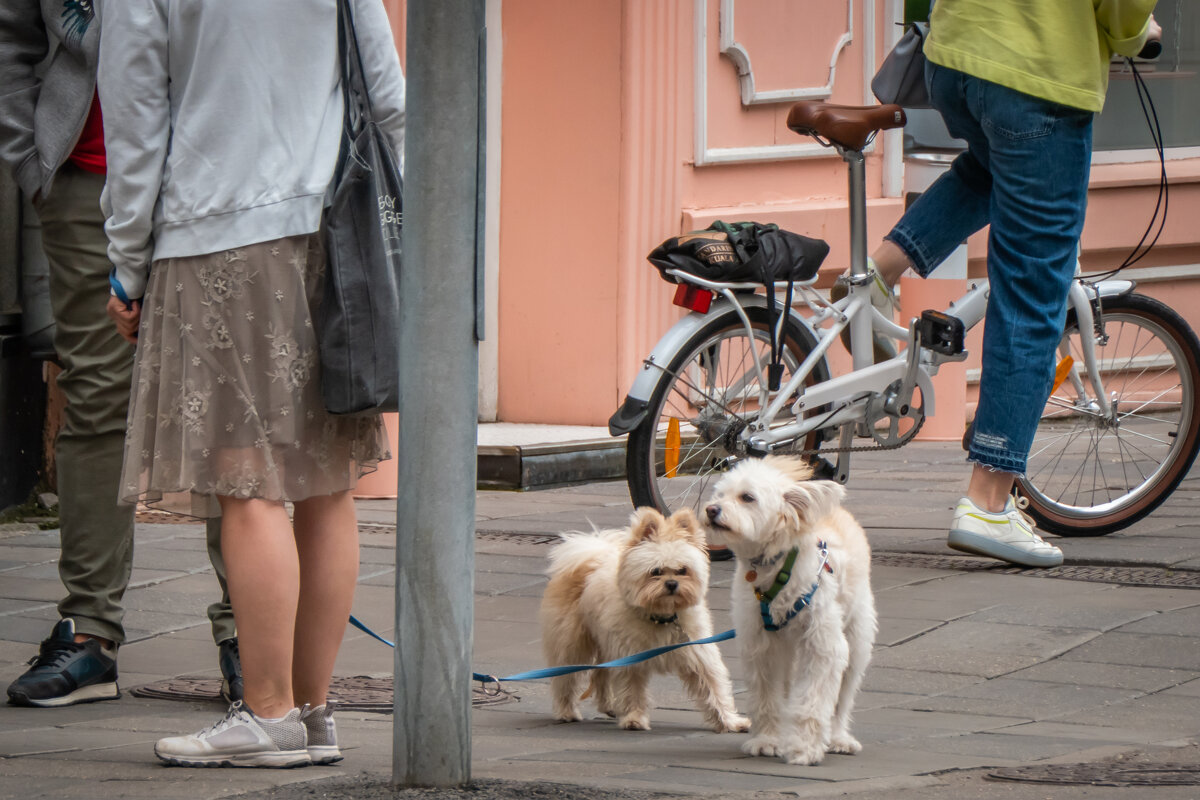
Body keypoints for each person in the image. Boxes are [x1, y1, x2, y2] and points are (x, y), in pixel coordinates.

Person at [98, 0, 404, 768]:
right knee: (327, 483)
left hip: (218, 229)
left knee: (249, 482)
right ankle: (313, 713)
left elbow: (136, 119)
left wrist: (128, 263)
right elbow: (388, 95)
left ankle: (265, 714)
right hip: (332, 226)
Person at [857, 1, 1157, 568]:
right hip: (1039, 68)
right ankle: (988, 500)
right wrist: (1136, 32)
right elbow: (1122, 10)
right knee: (1032, 289)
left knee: (990, 165)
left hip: (956, 55)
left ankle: (880, 272)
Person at [0, 0, 241, 709]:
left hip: (215, 175)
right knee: (99, 394)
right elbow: (13, 29)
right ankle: (89, 632)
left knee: (227, 408)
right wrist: (31, 151)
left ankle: (248, 634)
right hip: (85, 178)